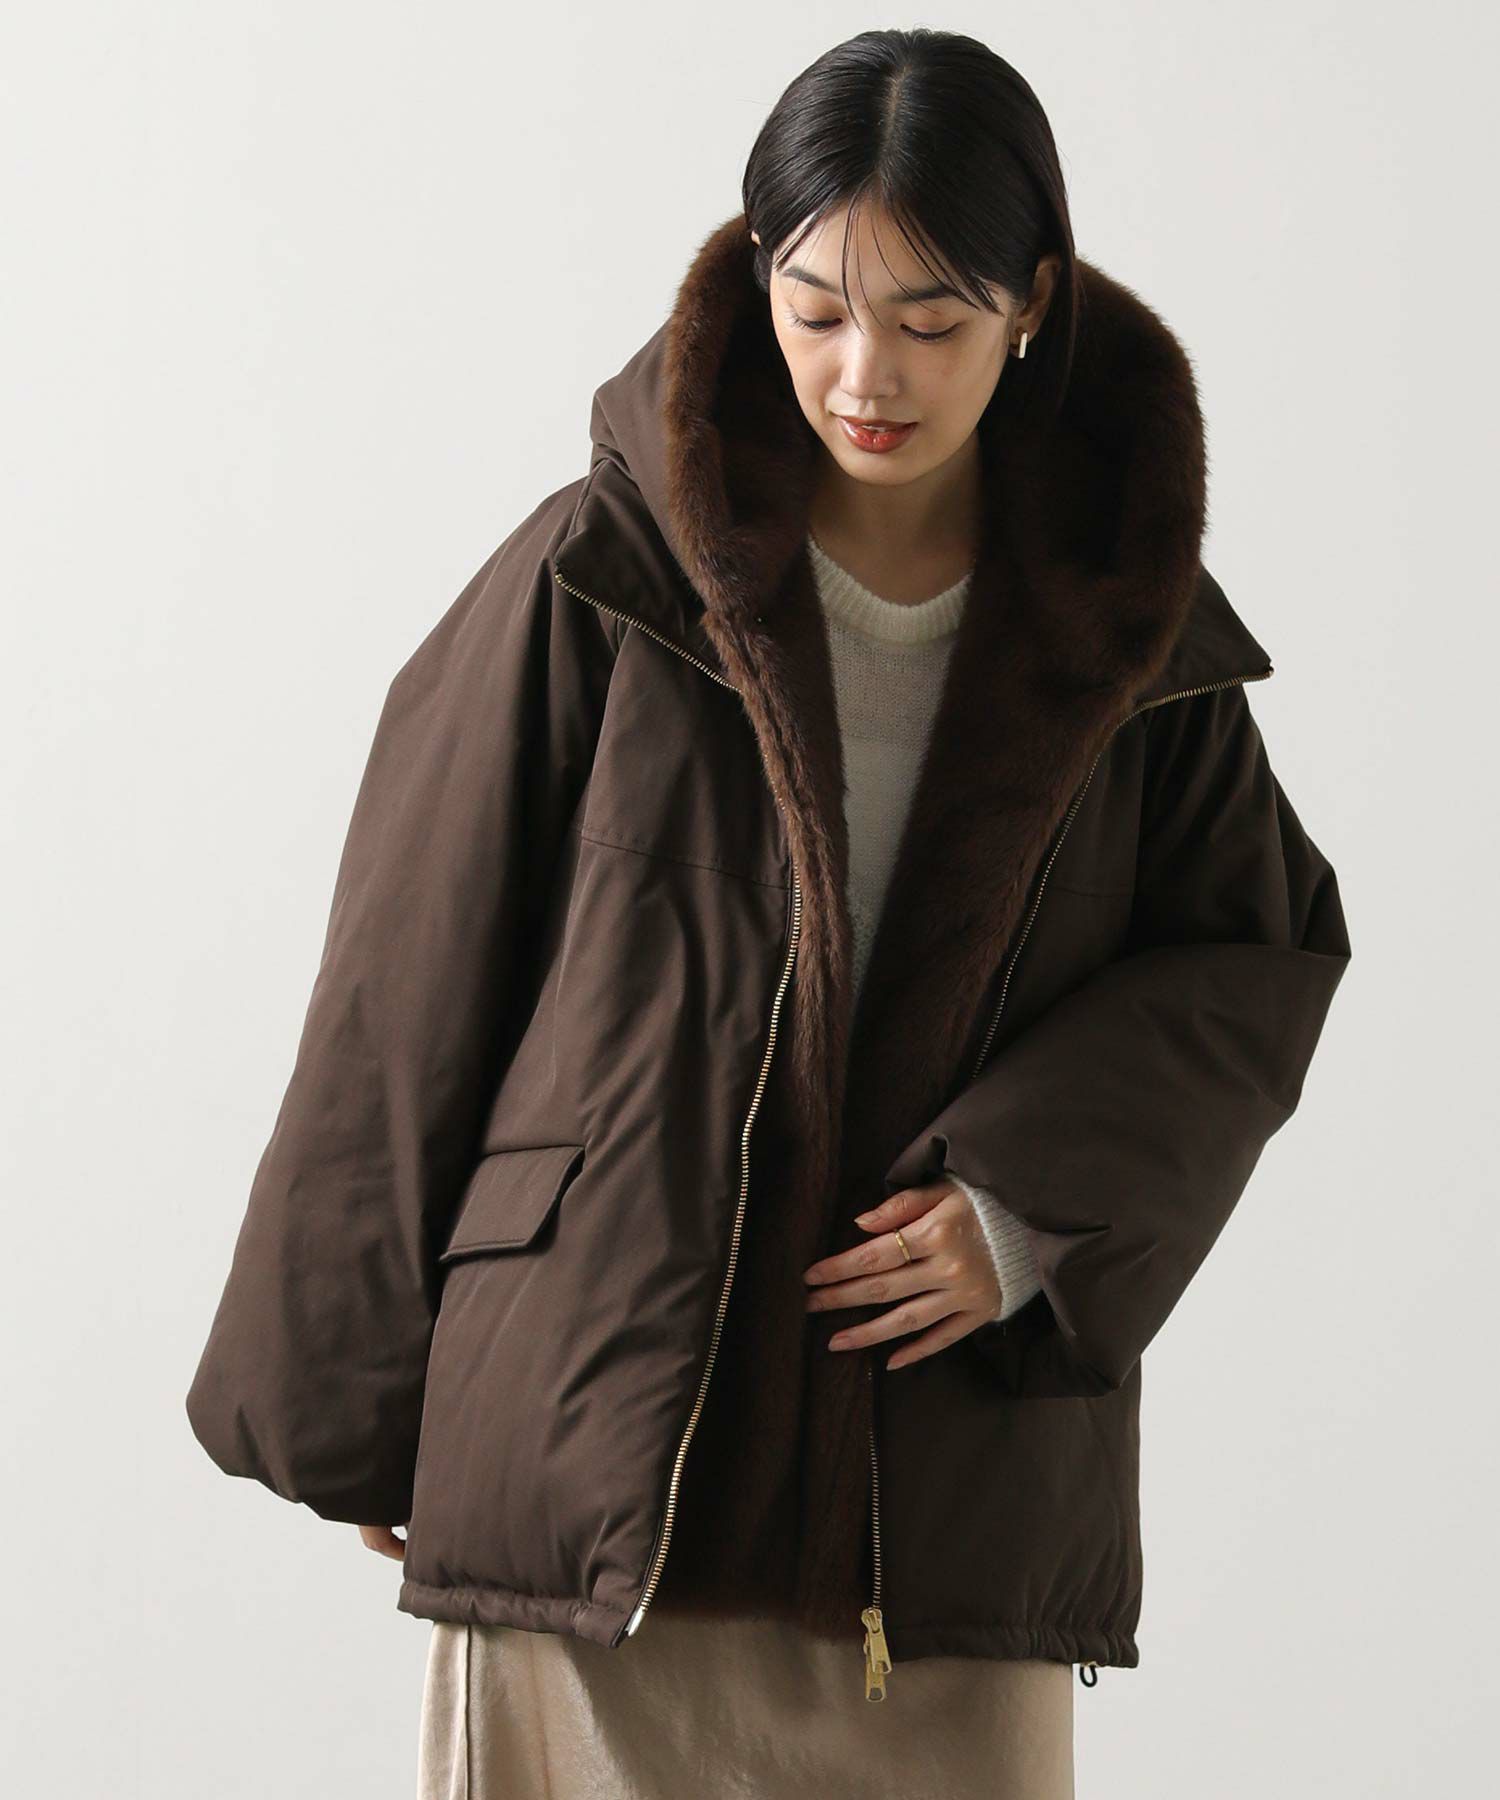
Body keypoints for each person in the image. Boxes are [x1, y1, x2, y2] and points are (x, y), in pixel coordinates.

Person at [184, 27, 1353, 1800]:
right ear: (755, 279)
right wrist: (348, 1401)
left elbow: (1256, 964)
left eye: (932, 320)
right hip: (598, 1459)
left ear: (1033, 306)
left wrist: (1026, 1211)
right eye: (816, 308)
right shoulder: (607, 570)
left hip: (941, 1511)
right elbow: (410, 964)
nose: (865, 373)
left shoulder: (1133, 639)